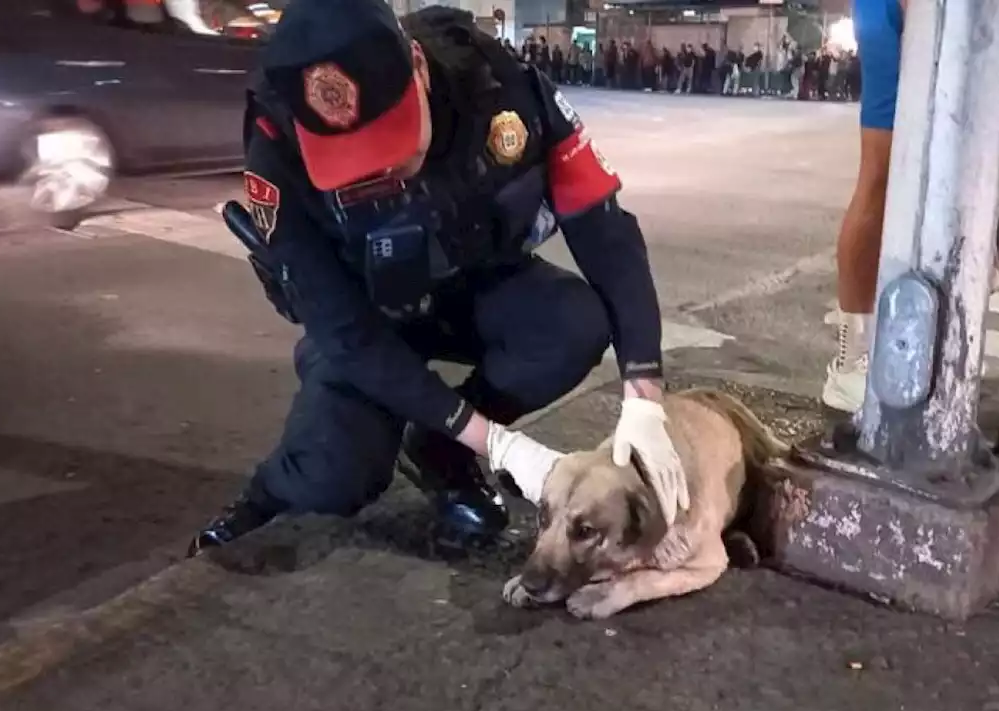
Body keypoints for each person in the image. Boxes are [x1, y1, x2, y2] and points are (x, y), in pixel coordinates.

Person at [189, 0, 689, 555]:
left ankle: (438, 450)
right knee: (333, 478)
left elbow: (605, 229)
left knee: (571, 324)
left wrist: (644, 393)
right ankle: (263, 497)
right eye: (351, 158)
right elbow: (344, 332)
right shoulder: (278, 144)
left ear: (420, 67)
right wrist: (499, 445)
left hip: (474, 284)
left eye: (388, 139)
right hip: (371, 318)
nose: (379, 170)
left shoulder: (503, 90)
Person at [822, 0, 999, 413]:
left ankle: (932, 344)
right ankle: (851, 360)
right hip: (911, 12)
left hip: (940, 15)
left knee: (945, 164)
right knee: (880, 174)